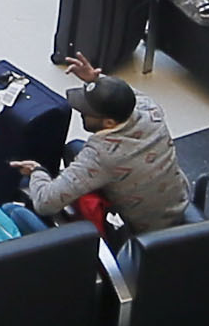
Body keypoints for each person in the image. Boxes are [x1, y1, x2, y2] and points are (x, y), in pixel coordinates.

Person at [61, 70, 189, 233]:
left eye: (86, 112)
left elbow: (44, 202)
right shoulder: (151, 110)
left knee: (73, 149)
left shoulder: (100, 156)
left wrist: (38, 172)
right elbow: (128, 96)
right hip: (179, 206)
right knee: (76, 149)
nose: (81, 113)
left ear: (109, 123)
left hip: (138, 230)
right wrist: (98, 81)